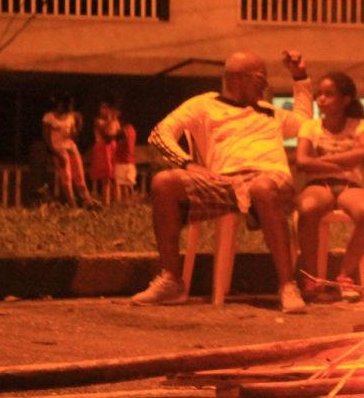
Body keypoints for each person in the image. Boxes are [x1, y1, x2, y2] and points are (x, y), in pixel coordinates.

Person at [132, 50, 313, 314]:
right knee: (164, 182)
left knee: (262, 188)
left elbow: (305, 125)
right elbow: (161, 133)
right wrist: (189, 165)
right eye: (261, 77)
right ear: (238, 79)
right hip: (225, 182)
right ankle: (171, 280)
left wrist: (300, 77)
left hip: (271, 179)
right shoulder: (204, 105)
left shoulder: (270, 112)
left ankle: (287, 285)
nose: (266, 84)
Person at [294, 72, 364, 302]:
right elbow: (301, 161)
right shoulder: (310, 127)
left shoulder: (358, 125)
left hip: (349, 185)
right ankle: (312, 277)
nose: (321, 99)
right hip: (318, 184)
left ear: (345, 100)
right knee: (307, 208)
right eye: (318, 94)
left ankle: (345, 275)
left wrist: (321, 161)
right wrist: (345, 158)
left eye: (328, 94)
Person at [42, 93, 93, 208]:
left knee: (79, 176)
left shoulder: (70, 118)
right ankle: (72, 203)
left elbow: (74, 137)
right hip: (58, 148)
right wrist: (55, 153)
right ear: (58, 104)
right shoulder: (49, 117)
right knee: (66, 177)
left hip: (71, 146)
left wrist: (76, 131)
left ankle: (87, 202)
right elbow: (46, 137)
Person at [89, 98, 120, 205]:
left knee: (115, 177)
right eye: (102, 108)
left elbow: (118, 134)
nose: (104, 110)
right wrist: (110, 120)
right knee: (105, 178)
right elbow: (106, 135)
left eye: (106, 107)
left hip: (112, 148)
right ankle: (105, 204)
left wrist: (113, 121)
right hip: (103, 148)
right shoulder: (98, 121)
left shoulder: (115, 121)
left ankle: (117, 203)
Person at [113, 104, 137, 204]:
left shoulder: (123, 131)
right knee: (128, 185)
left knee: (120, 185)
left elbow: (115, 140)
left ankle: (121, 204)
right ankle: (129, 203)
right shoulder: (132, 130)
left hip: (121, 161)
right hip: (130, 161)